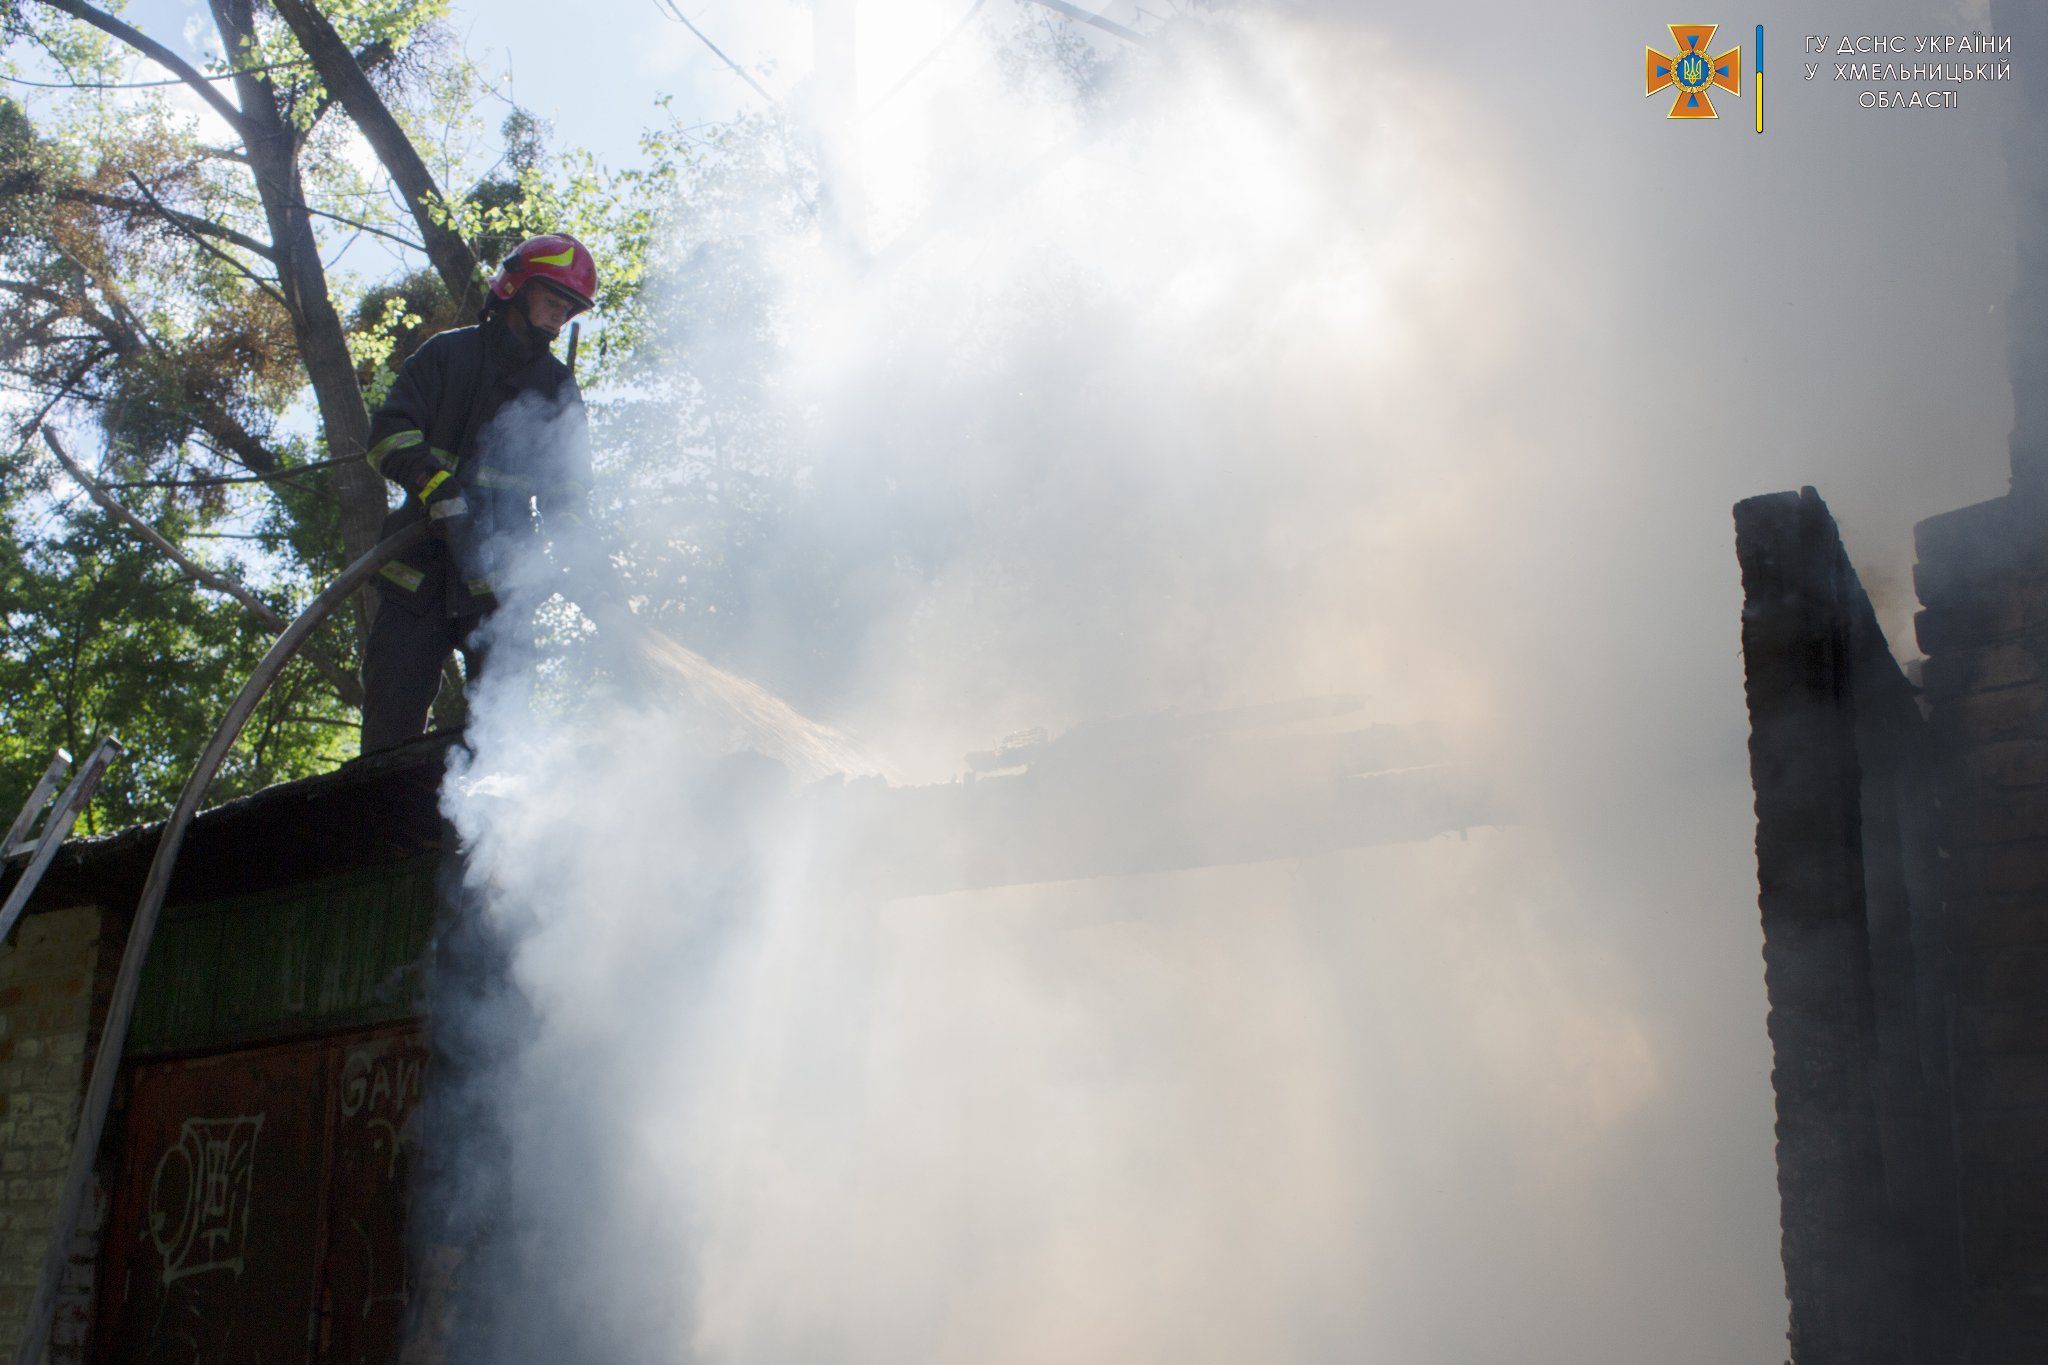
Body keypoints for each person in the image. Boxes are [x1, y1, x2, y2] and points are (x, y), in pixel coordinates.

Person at [358, 233, 603, 753]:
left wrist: (581, 555)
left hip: (503, 588)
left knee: (504, 738)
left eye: (570, 309)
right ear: (516, 288)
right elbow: (388, 435)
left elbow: (569, 491)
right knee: (390, 723)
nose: (560, 318)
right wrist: (437, 488)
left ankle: (489, 833)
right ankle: (382, 824)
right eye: (554, 301)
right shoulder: (448, 356)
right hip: (420, 572)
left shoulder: (557, 390)